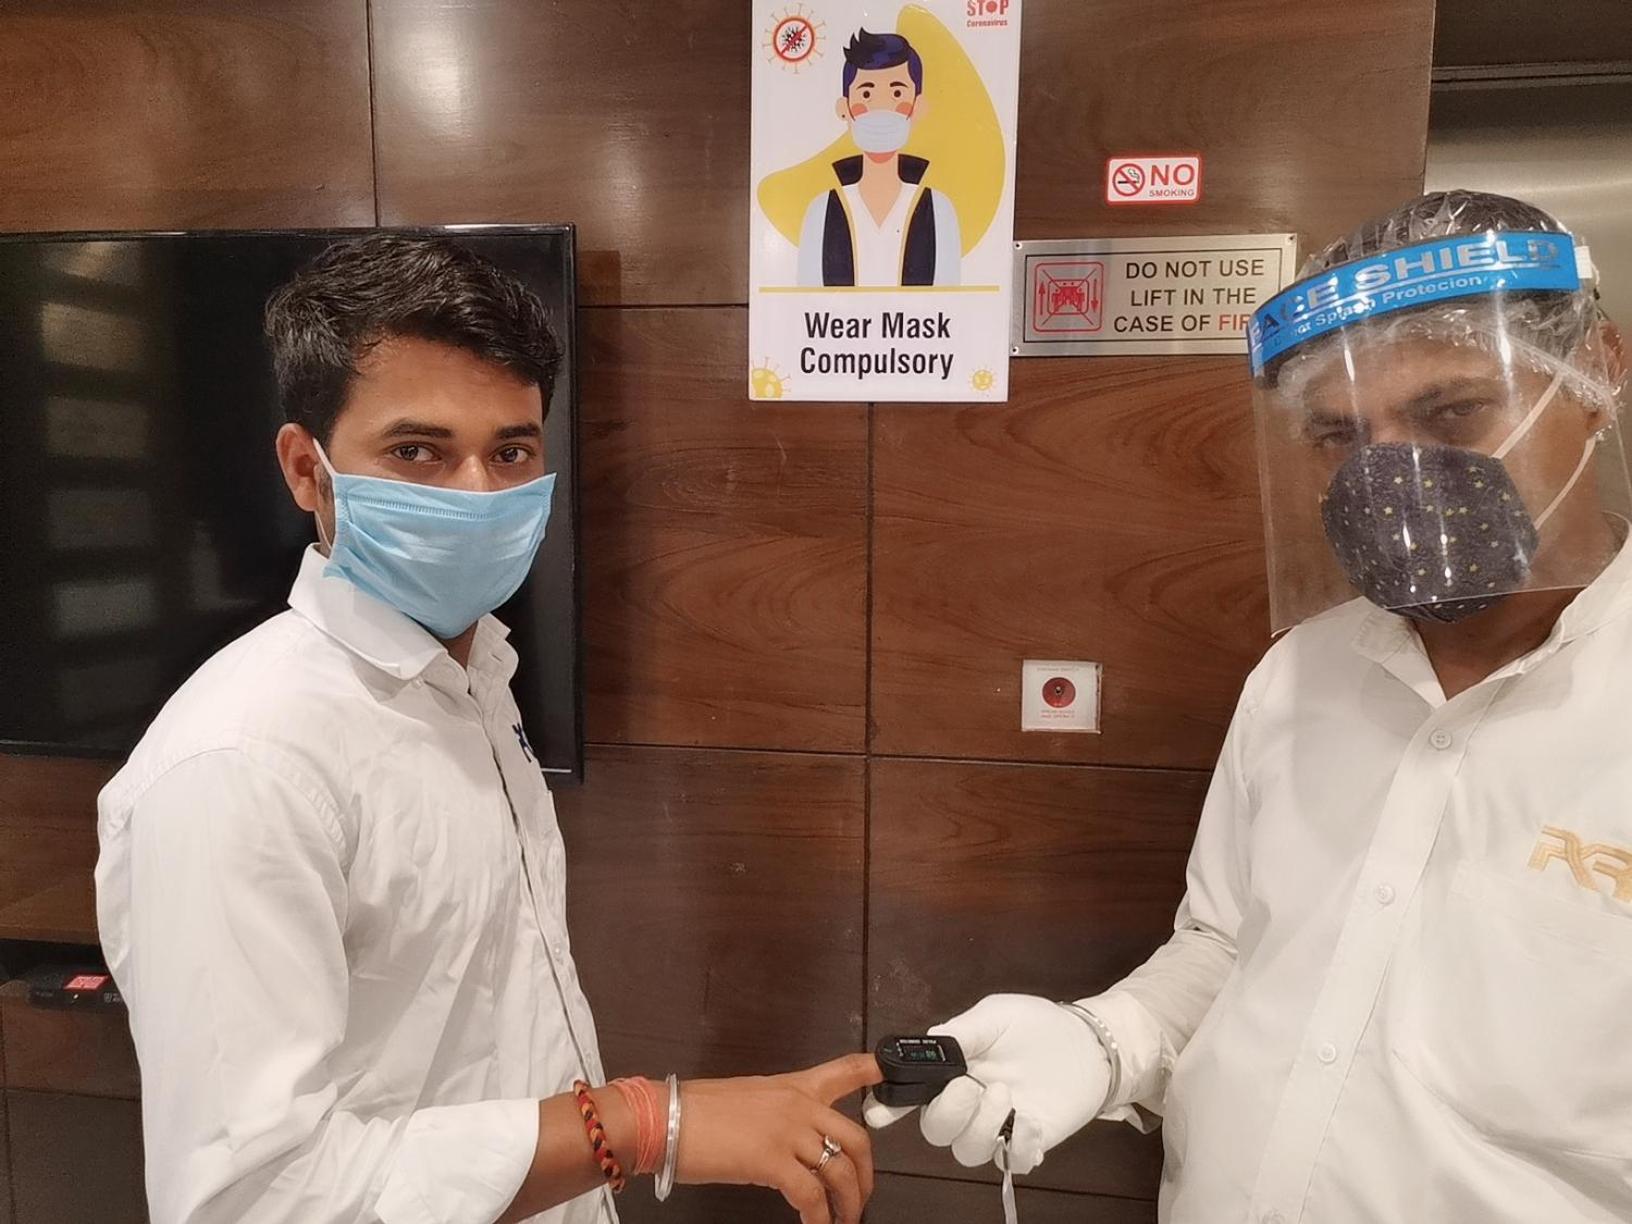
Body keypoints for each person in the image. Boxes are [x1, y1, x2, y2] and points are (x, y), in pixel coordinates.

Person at [867, 191, 1632, 1222]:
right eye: (1339, 434)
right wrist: (1108, 1042)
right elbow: (1230, 944)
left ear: (1600, 371)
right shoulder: (1301, 674)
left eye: (1451, 412)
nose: (1391, 472)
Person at [95, 235, 880, 1224]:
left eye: (511, 452)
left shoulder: (474, 683)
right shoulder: (243, 763)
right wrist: (644, 1124)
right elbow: (253, 1199)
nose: (479, 495)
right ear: (306, 468)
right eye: (416, 452)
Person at [797, 29, 961, 288]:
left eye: (897, 94)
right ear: (844, 109)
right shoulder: (822, 210)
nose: (881, 110)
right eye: (866, 95)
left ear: (918, 107)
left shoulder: (939, 210)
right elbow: (806, 298)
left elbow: (950, 299)